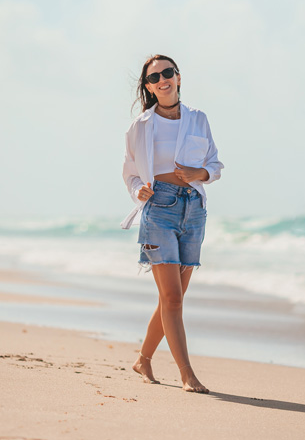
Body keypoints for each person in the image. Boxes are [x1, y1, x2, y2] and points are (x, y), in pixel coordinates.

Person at [121, 54, 223, 393]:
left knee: (173, 298)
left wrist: (201, 174)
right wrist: (139, 190)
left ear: (178, 77)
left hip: (193, 210)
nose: (162, 79)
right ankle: (186, 374)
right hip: (159, 209)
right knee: (173, 298)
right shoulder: (140, 126)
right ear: (148, 87)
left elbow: (214, 163)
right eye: (154, 77)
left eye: (168, 72)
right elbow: (130, 172)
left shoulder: (198, 119)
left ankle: (143, 360)